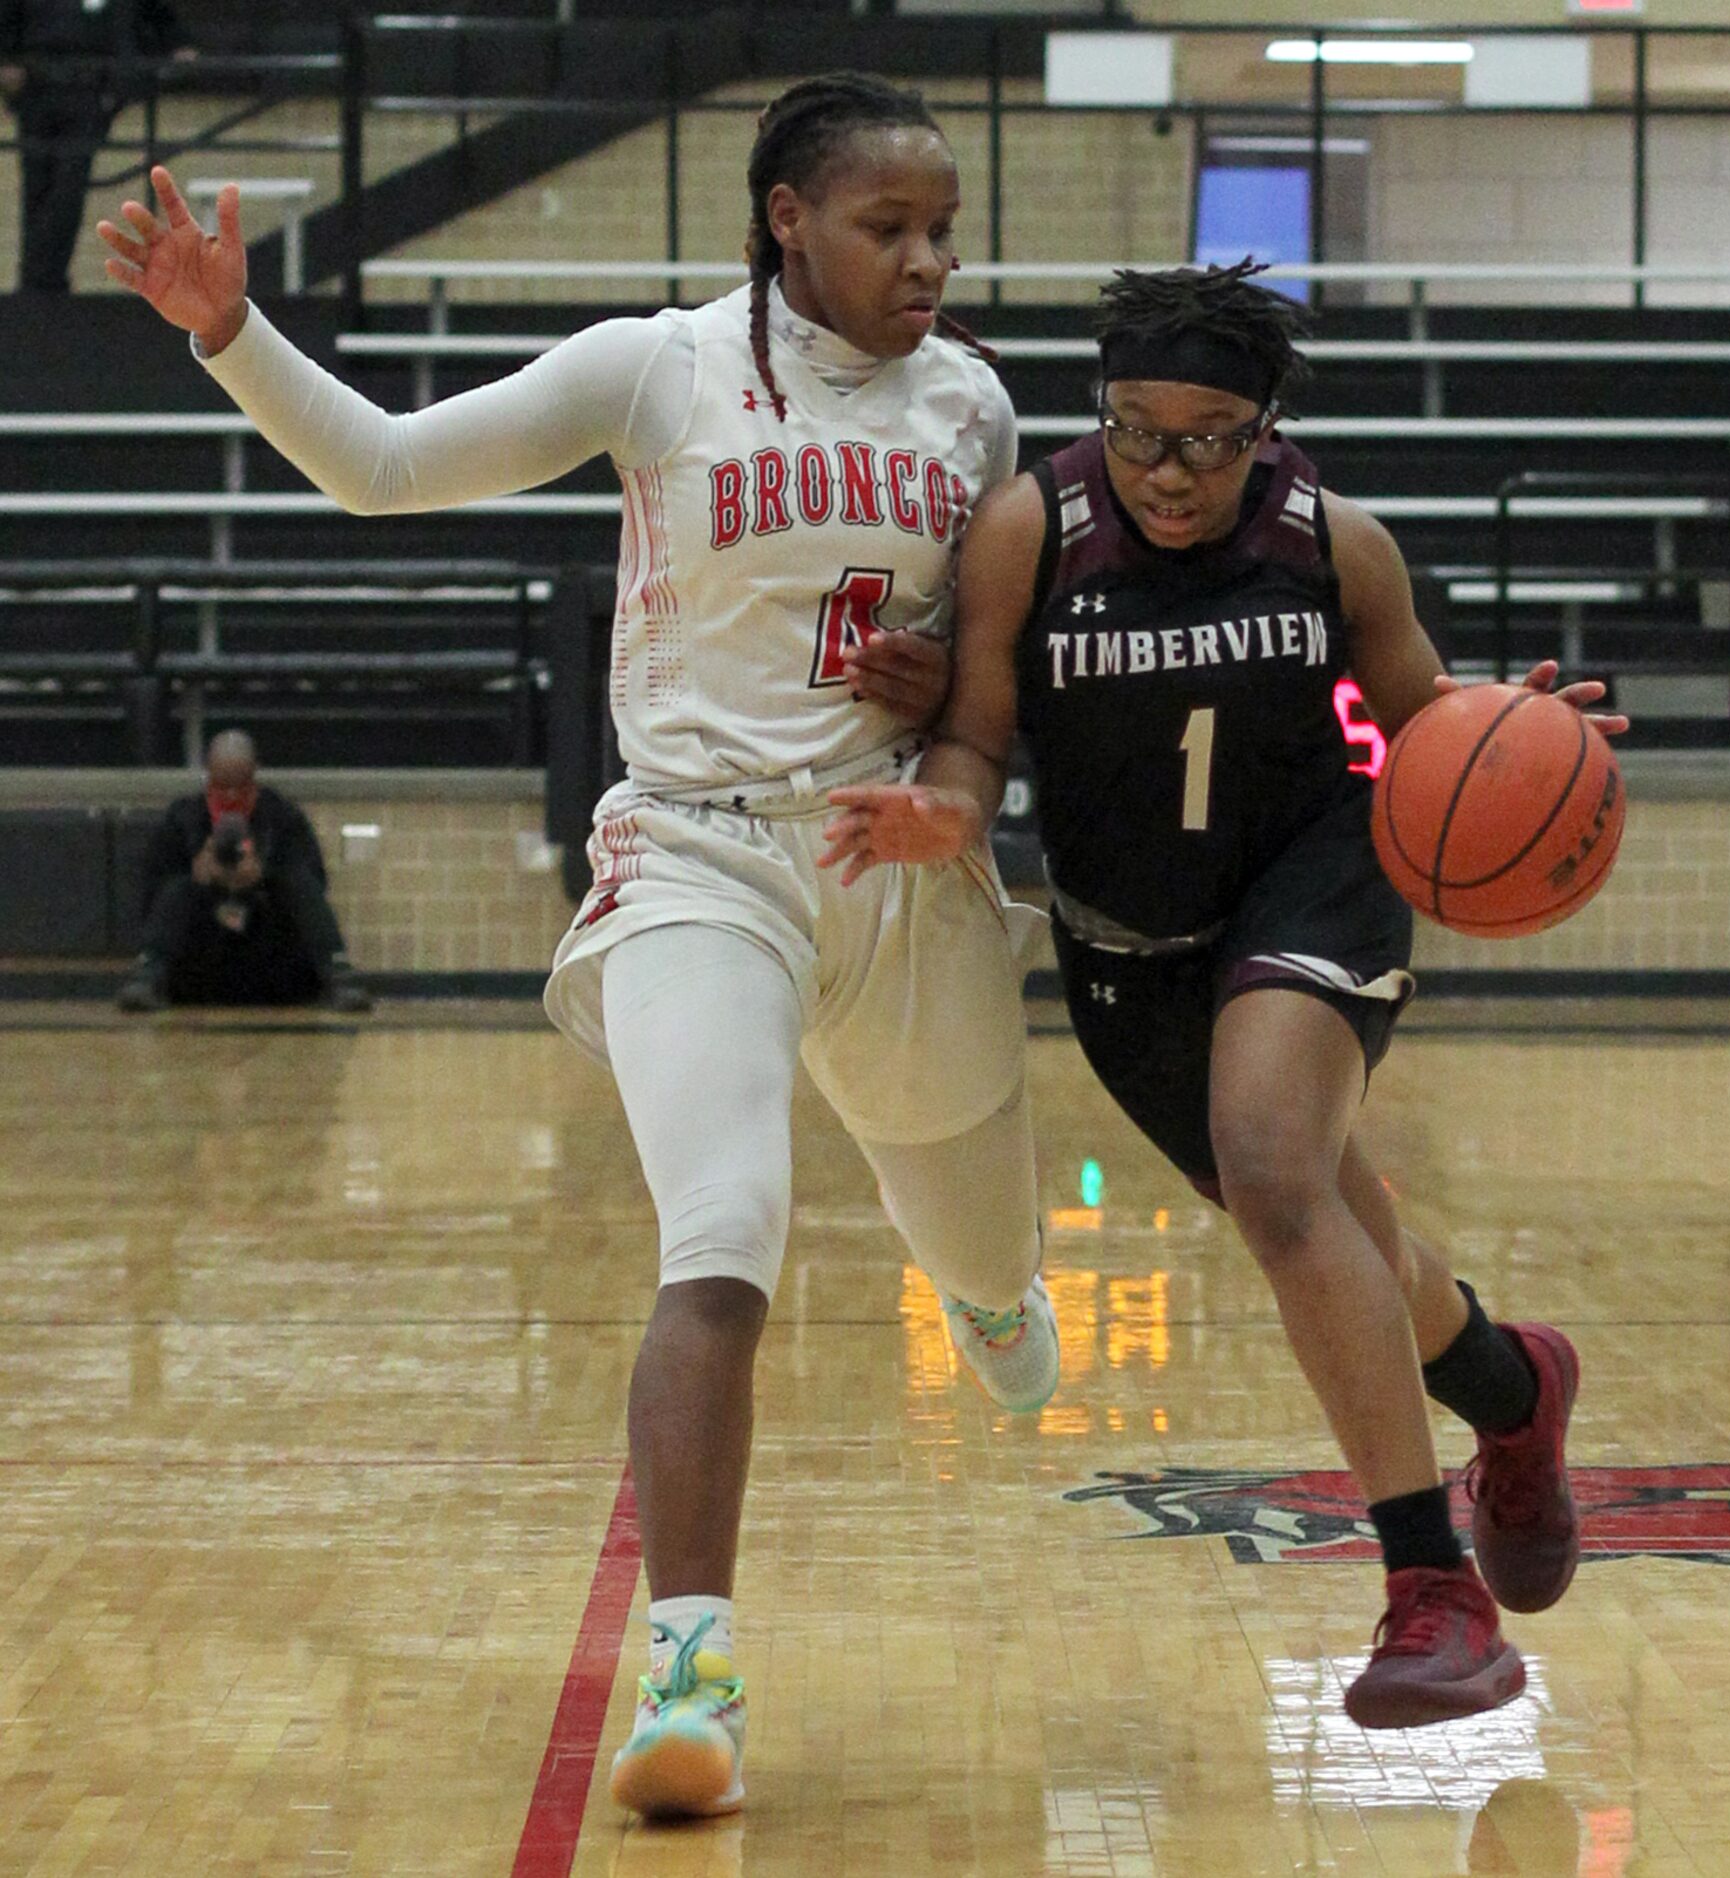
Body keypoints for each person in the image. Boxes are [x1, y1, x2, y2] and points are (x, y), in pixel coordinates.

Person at [98, 73, 1060, 1817]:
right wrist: (230, 330)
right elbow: (388, 468)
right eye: (886, 226)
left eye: (941, 232)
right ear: (788, 218)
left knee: (985, 1258)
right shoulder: (658, 367)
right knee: (721, 1235)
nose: (924, 260)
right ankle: (686, 1667)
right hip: (703, 854)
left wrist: (943, 692)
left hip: (894, 868)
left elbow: (986, 651)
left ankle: (987, 1284)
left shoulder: (974, 408)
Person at [821, 261, 1628, 1731]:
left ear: (1264, 429)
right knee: (1332, 1224)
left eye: (1204, 436)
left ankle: (1425, 1590)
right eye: (1135, 429)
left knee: (1271, 1168)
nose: (1165, 469)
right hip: (1127, 949)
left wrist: (1514, 736)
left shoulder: (1337, 548)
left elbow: (1429, 729)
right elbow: (976, 739)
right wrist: (947, 807)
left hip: (1311, 882)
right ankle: (1511, 1388)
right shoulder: (1031, 529)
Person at [118, 729, 373, 1013]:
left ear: (255, 774)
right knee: (177, 888)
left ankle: (339, 975)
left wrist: (263, 877)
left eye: (239, 786)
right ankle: (147, 974)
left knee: (296, 882)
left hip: (269, 955)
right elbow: (151, 891)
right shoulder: (181, 817)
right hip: (202, 958)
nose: (230, 795)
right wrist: (198, 877)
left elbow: (315, 885)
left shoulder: (282, 815)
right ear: (207, 775)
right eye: (221, 786)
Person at [0, 0, 191, 291]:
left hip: (90, 89)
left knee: (67, 186)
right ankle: (40, 281)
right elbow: (10, 16)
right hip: (37, 89)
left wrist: (178, 43)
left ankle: (39, 282)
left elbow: (152, 13)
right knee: (37, 186)